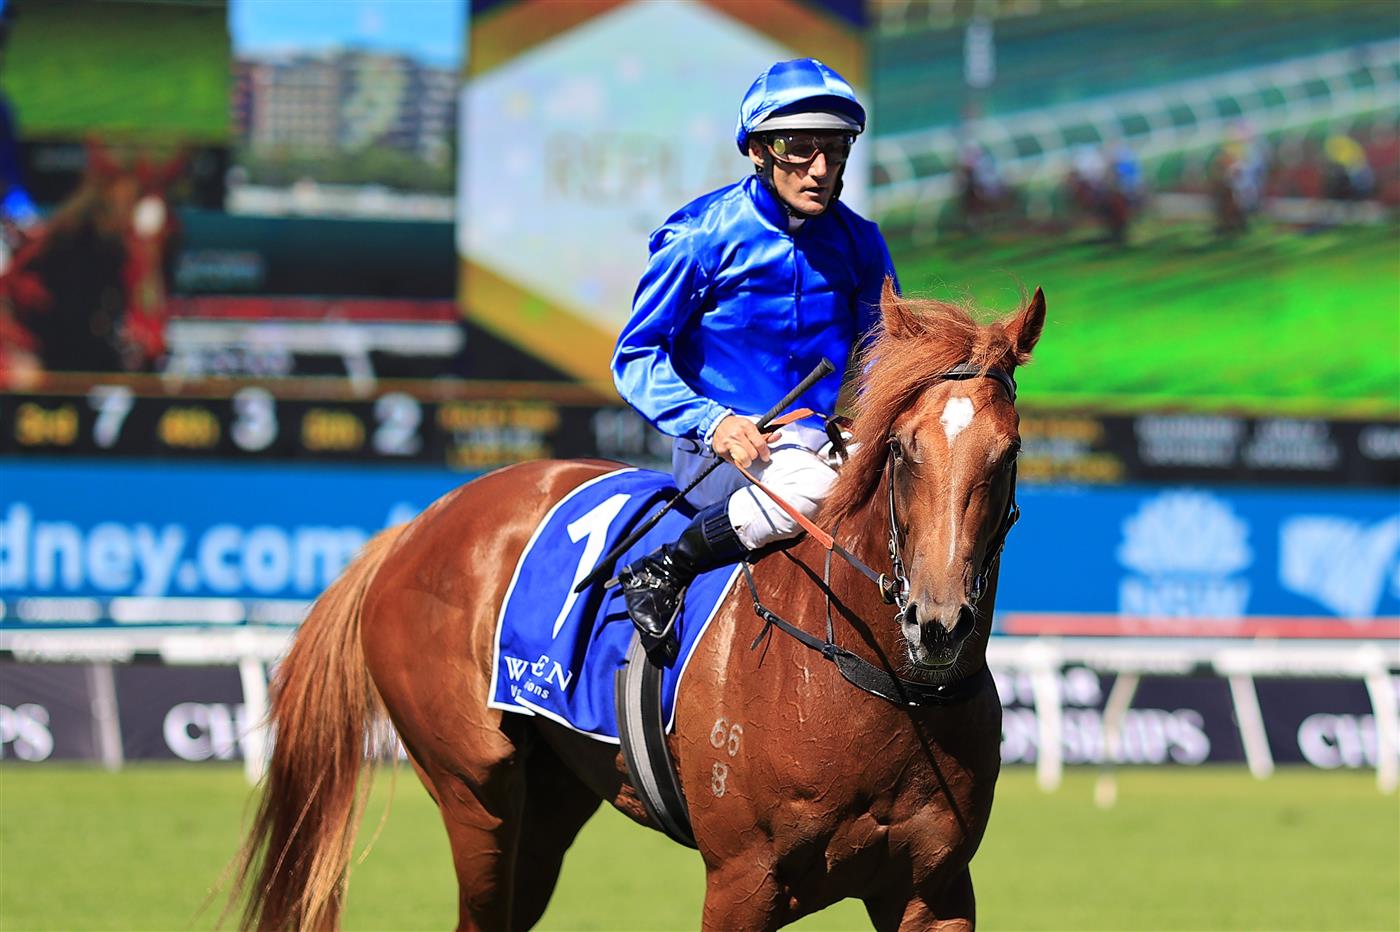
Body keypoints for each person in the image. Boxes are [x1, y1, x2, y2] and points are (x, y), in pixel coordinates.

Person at [611, 58, 898, 663]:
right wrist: (714, 422)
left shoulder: (862, 242)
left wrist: (863, 417)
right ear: (759, 151)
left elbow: (883, 354)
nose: (820, 170)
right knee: (814, 486)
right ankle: (665, 567)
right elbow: (635, 356)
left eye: (836, 148)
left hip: (822, 443)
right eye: (799, 148)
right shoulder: (700, 236)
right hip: (724, 450)